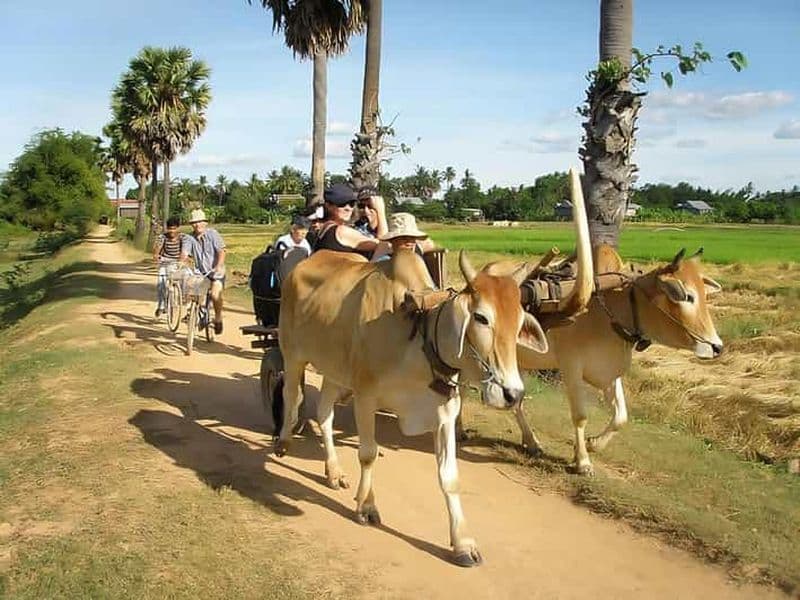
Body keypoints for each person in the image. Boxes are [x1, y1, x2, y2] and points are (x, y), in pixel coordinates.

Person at [313, 183, 389, 259]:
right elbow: (384, 245)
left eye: (351, 204)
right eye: (342, 204)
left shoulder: (325, 228)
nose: (348, 208)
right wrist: (381, 211)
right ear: (328, 205)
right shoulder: (342, 232)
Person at [186, 209, 226, 335]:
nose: (197, 225)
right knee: (192, 289)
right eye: (194, 222)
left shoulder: (213, 234)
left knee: (215, 295)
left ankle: (218, 318)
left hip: (215, 272)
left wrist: (218, 266)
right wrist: (183, 262)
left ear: (205, 223)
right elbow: (185, 253)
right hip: (200, 273)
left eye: (200, 222)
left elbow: (221, 251)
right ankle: (197, 313)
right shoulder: (189, 238)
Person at [152, 216, 190, 318]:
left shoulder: (183, 237)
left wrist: (182, 261)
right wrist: (156, 257)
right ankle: (161, 306)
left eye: (174, 228)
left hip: (179, 262)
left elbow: (184, 251)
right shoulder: (162, 237)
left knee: (187, 277)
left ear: (178, 228)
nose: (172, 231)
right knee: (161, 283)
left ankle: (185, 300)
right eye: (170, 228)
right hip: (165, 262)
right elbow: (157, 249)